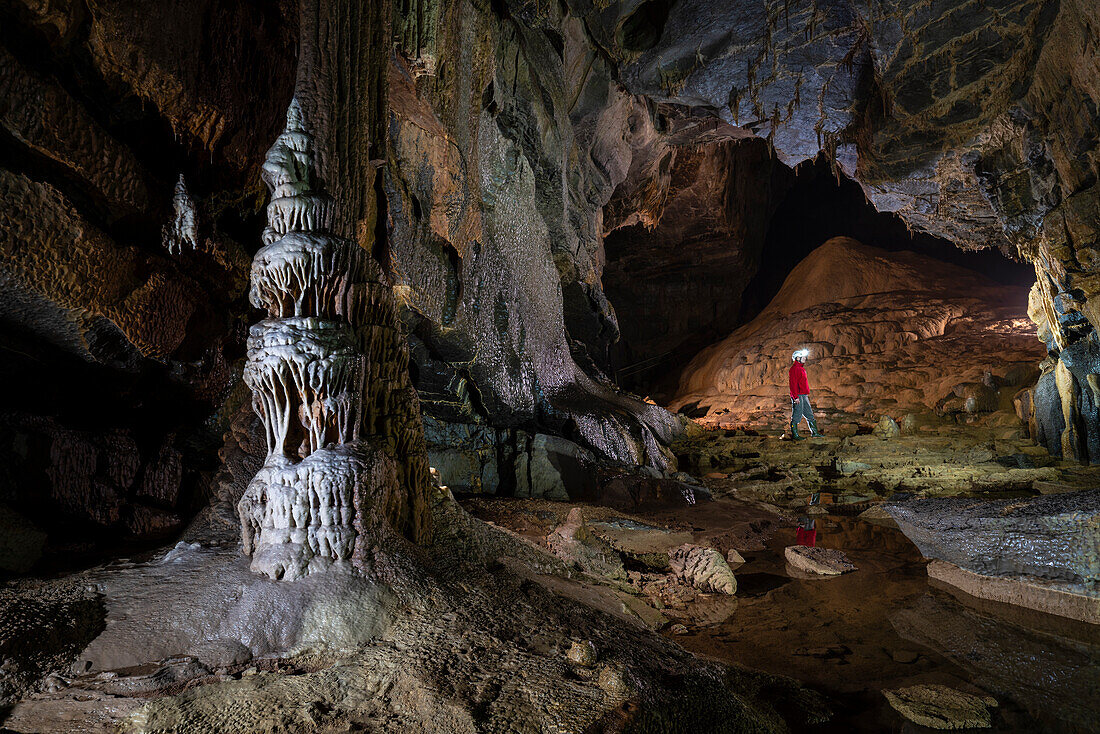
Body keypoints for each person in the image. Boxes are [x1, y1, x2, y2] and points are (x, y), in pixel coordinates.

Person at [788, 349, 822, 439]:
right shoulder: (794, 369)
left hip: (803, 395)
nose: (805, 358)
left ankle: (814, 433)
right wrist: (795, 397)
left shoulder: (801, 369)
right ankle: (795, 435)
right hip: (798, 395)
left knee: (809, 414)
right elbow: (793, 384)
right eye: (803, 357)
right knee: (797, 414)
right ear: (797, 358)